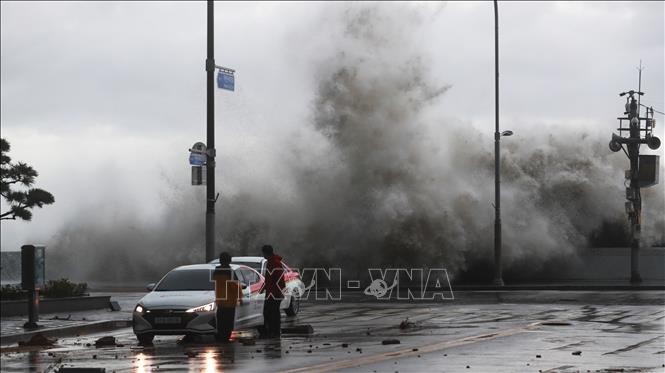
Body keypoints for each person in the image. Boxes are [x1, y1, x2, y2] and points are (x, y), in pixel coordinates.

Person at [211, 252, 242, 342]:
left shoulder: (216, 271)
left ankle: (221, 336)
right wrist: (240, 297)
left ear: (220, 260)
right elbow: (236, 286)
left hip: (220, 301)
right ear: (229, 260)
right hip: (230, 301)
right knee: (228, 321)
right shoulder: (230, 271)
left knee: (221, 320)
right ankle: (225, 337)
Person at [259, 245, 285, 338]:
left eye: (263, 253)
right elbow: (269, 278)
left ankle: (274, 332)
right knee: (268, 312)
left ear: (266, 253)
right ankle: (272, 331)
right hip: (270, 292)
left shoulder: (275, 263)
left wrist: (280, 292)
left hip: (275, 293)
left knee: (272, 313)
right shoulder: (270, 262)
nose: (263, 256)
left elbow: (279, 279)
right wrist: (263, 288)